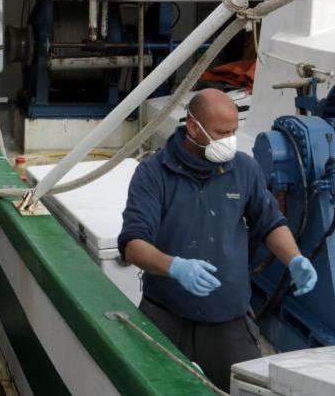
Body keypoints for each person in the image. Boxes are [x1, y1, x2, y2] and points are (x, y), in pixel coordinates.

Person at [118, 89, 318, 391]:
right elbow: (133, 243)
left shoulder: (244, 168)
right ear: (194, 128)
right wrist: (175, 267)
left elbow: (270, 222)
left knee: (246, 388)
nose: (230, 141)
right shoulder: (153, 173)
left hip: (228, 319)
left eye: (234, 131)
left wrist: (294, 258)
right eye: (222, 132)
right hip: (166, 314)